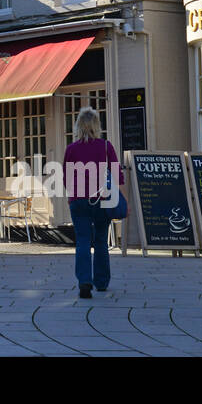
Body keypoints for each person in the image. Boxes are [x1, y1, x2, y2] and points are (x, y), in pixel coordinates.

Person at [63, 108, 125, 299]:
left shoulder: (71, 149)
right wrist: (123, 198)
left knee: (82, 240)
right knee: (100, 241)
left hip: (79, 201)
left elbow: (66, 177)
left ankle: (84, 282)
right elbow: (117, 176)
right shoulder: (106, 146)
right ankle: (101, 281)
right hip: (102, 199)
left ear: (78, 127)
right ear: (97, 126)